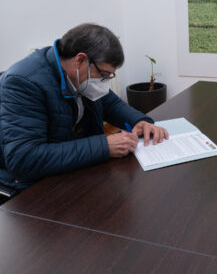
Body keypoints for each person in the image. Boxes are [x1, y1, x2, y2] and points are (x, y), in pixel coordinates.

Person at [0, 24, 169, 198]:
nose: (105, 82)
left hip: (73, 169)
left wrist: (139, 121)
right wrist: (104, 146)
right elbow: (24, 158)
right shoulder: (23, 83)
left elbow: (109, 103)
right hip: (31, 186)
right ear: (80, 60)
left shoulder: (79, 74)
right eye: (104, 74)